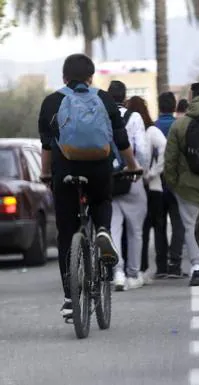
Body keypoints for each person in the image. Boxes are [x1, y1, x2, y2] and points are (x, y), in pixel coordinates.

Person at [38, 54, 141, 318]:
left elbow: (47, 145)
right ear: (90, 77)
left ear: (64, 78)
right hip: (98, 169)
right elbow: (120, 138)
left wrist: (45, 173)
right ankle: (103, 231)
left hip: (65, 172)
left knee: (66, 233)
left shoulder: (51, 102)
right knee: (101, 201)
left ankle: (70, 299)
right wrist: (132, 166)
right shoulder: (104, 99)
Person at [164, 82, 199, 287]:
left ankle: (196, 266)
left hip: (187, 187)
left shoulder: (179, 125)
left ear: (191, 98)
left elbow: (169, 159)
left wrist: (173, 184)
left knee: (191, 227)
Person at [108, 81, 150, 291]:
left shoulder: (102, 116)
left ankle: (117, 273)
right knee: (136, 230)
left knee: (113, 228)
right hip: (132, 177)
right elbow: (142, 149)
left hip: (109, 179)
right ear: (125, 98)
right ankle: (133, 274)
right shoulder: (134, 117)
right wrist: (141, 169)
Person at [127, 96, 169, 280]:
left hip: (138, 185)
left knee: (140, 229)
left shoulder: (135, 130)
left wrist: (146, 173)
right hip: (155, 186)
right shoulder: (152, 130)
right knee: (159, 228)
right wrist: (154, 172)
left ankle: (141, 267)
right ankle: (162, 266)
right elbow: (165, 150)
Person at [155, 91, 185, 278]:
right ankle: (175, 263)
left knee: (159, 225)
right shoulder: (179, 126)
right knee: (178, 224)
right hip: (176, 183)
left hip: (156, 184)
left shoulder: (152, 127)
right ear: (174, 107)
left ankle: (161, 266)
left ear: (159, 107)